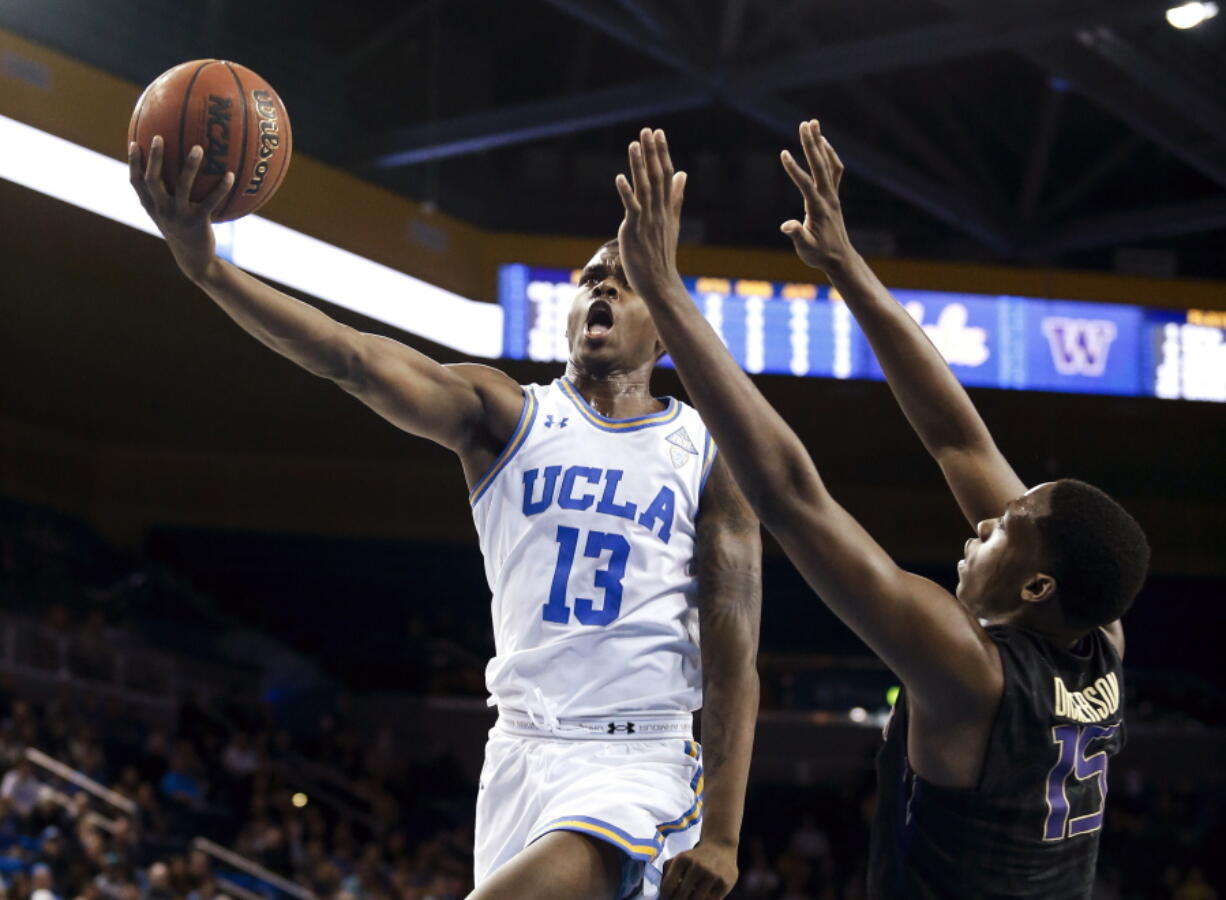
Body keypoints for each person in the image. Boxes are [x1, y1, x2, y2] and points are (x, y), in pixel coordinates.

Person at [128, 136, 762, 900]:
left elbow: (733, 654)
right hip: (519, 758)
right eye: (593, 277)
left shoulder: (707, 449)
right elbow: (351, 358)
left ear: (666, 329)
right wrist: (208, 267)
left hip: (637, 763)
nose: (604, 289)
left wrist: (724, 832)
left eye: (628, 283)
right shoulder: (505, 415)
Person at [613, 125, 1148, 899]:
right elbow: (956, 438)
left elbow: (792, 499)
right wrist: (846, 265)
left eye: (1007, 527)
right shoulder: (1099, 637)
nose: (985, 521)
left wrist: (665, 293)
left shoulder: (970, 667)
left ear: (1036, 588)